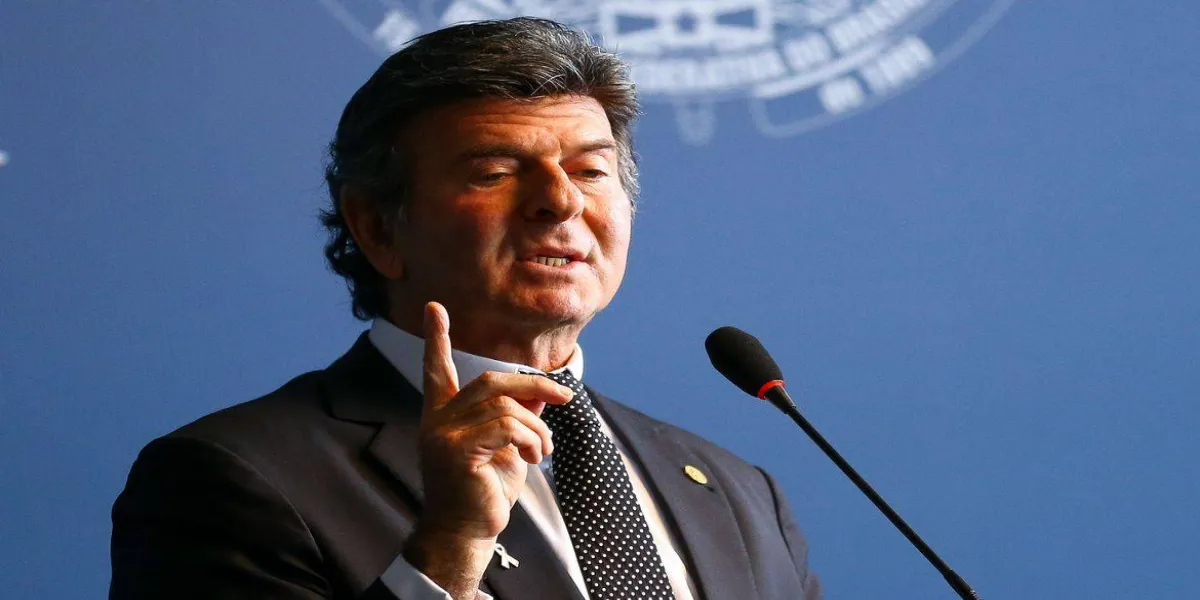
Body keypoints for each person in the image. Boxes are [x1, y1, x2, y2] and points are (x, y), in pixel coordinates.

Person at [109, 17, 822, 600]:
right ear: (377, 226)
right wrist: (448, 550)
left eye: (590, 170)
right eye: (496, 172)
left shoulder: (739, 493)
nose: (561, 201)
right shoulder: (231, 476)